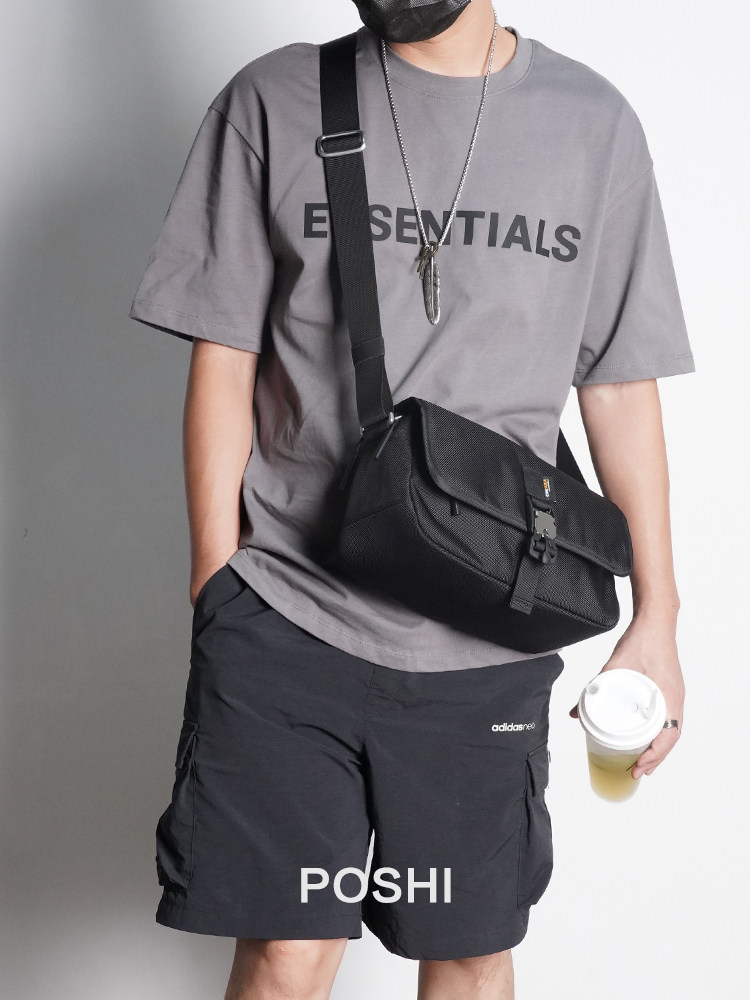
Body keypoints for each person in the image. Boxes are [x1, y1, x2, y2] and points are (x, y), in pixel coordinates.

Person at [128, 1, 694, 997]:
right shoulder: (274, 99)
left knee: (469, 954)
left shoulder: (592, 124)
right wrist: (215, 581)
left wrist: (658, 616)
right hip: (290, 618)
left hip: (490, 634)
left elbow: (618, 386)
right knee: (286, 954)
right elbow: (225, 353)